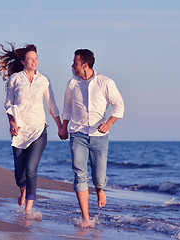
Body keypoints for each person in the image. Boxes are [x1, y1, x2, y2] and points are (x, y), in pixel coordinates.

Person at [0, 43, 62, 216]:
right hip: (19, 131)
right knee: (19, 176)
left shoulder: (43, 80)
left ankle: (28, 210)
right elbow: (8, 104)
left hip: (39, 130)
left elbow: (51, 104)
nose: (34, 61)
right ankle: (22, 190)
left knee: (31, 169)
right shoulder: (15, 79)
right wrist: (12, 122)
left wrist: (61, 127)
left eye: (36, 58)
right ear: (23, 61)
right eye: (30, 59)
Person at [58, 49, 124, 226]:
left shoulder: (105, 82)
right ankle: (86, 219)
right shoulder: (72, 83)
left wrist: (109, 123)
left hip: (99, 136)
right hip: (77, 133)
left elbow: (119, 106)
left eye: (75, 63)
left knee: (99, 177)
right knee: (79, 175)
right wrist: (64, 127)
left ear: (84, 65)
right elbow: (67, 108)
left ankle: (100, 189)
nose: (72, 66)